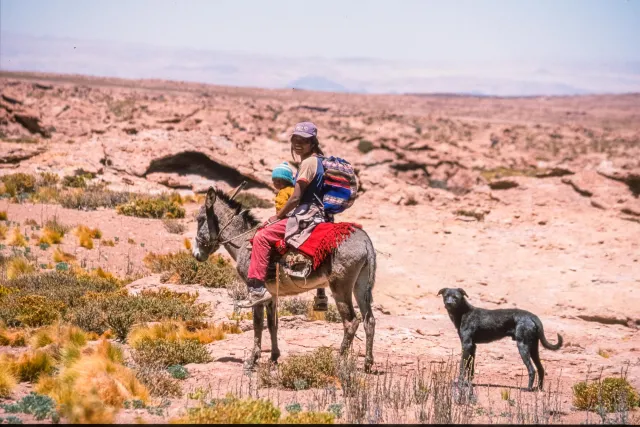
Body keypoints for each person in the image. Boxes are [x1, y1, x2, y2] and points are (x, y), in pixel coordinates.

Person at [242, 121, 329, 310]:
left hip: (306, 215)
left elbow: (296, 197)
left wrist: (277, 216)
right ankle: (321, 294)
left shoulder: (307, 163)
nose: (298, 144)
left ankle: (257, 289)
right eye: (295, 139)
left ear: (312, 142)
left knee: (262, 236)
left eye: (304, 141)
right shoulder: (321, 160)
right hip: (321, 214)